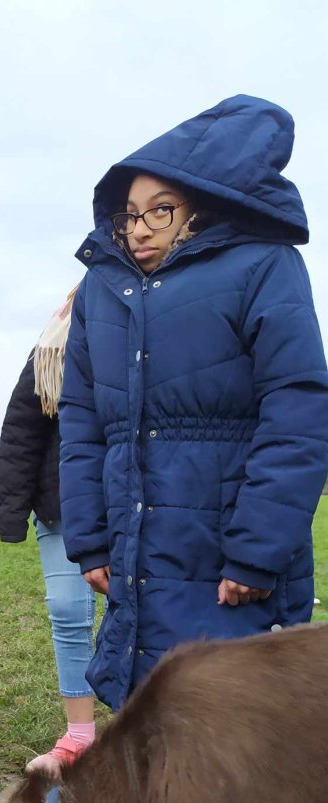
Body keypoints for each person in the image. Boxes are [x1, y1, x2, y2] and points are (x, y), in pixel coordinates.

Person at [59, 94, 328, 711]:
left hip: (227, 549)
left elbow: (298, 408)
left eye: (160, 210)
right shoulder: (103, 291)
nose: (139, 227)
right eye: (129, 213)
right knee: (146, 714)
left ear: (199, 210)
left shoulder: (266, 267)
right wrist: (90, 539)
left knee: (236, 723)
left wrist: (258, 549)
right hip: (134, 550)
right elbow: (80, 423)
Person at [0, 289, 96, 774]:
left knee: (139, 611)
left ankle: (150, 725)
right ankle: (80, 735)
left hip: (132, 501)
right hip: (61, 502)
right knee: (67, 610)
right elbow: (22, 427)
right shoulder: (53, 345)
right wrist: (11, 510)